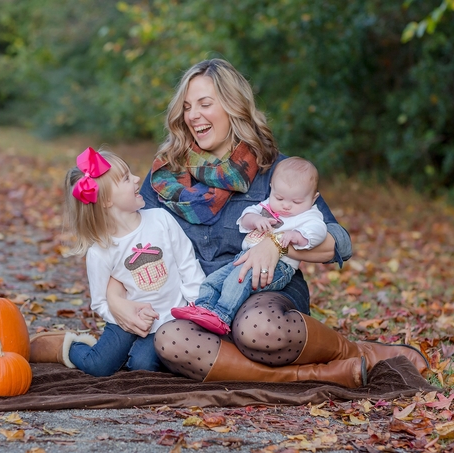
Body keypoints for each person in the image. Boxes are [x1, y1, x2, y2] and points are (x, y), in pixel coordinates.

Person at [104, 58, 428, 388]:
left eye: (205, 104)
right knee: (169, 340)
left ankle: (356, 352)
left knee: (257, 328)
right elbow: (128, 242)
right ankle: (314, 374)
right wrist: (116, 300)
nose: (193, 115)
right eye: (187, 107)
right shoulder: (167, 175)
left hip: (266, 295)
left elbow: (339, 241)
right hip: (203, 303)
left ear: (233, 107)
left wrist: (275, 244)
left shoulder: (274, 169)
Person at [29, 147, 206, 377]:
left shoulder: (161, 220)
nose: (137, 179)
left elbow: (188, 265)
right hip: (126, 321)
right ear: (106, 201)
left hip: (170, 319)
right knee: (99, 366)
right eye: (126, 178)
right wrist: (127, 318)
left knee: (143, 367)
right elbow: (100, 303)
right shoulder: (100, 251)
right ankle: (68, 347)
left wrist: (197, 309)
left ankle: (133, 354)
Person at [171, 156, 326, 335]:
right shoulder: (267, 207)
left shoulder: (308, 216)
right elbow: (246, 216)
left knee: (237, 280)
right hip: (244, 258)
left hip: (277, 267)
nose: (286, 206)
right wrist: (256, 220)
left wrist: (296, 236)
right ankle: (203, 308)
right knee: (212, 281)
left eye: (296, 202)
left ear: (313, 198)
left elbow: (319, 231)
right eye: (279, 197)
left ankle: (221, 315)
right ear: (272, 189)